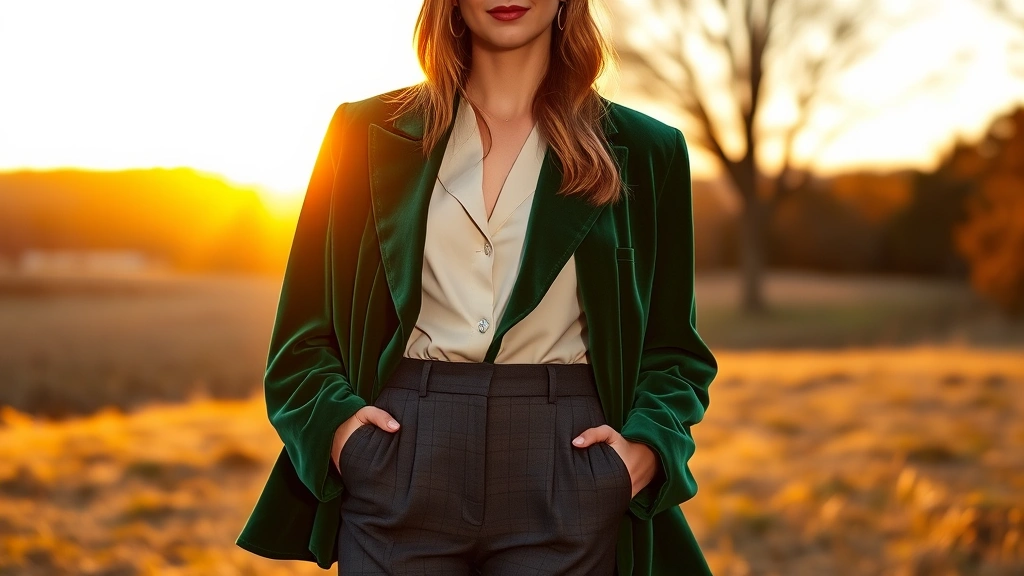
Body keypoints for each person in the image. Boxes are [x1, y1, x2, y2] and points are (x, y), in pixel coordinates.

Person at [235, 0, 718, 574]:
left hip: (569, 464)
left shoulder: (648, 150)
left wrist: (642, 452)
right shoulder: (361, 132)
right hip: (398, 454)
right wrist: (342, 435)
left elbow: (675, 352)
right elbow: (301, 335)